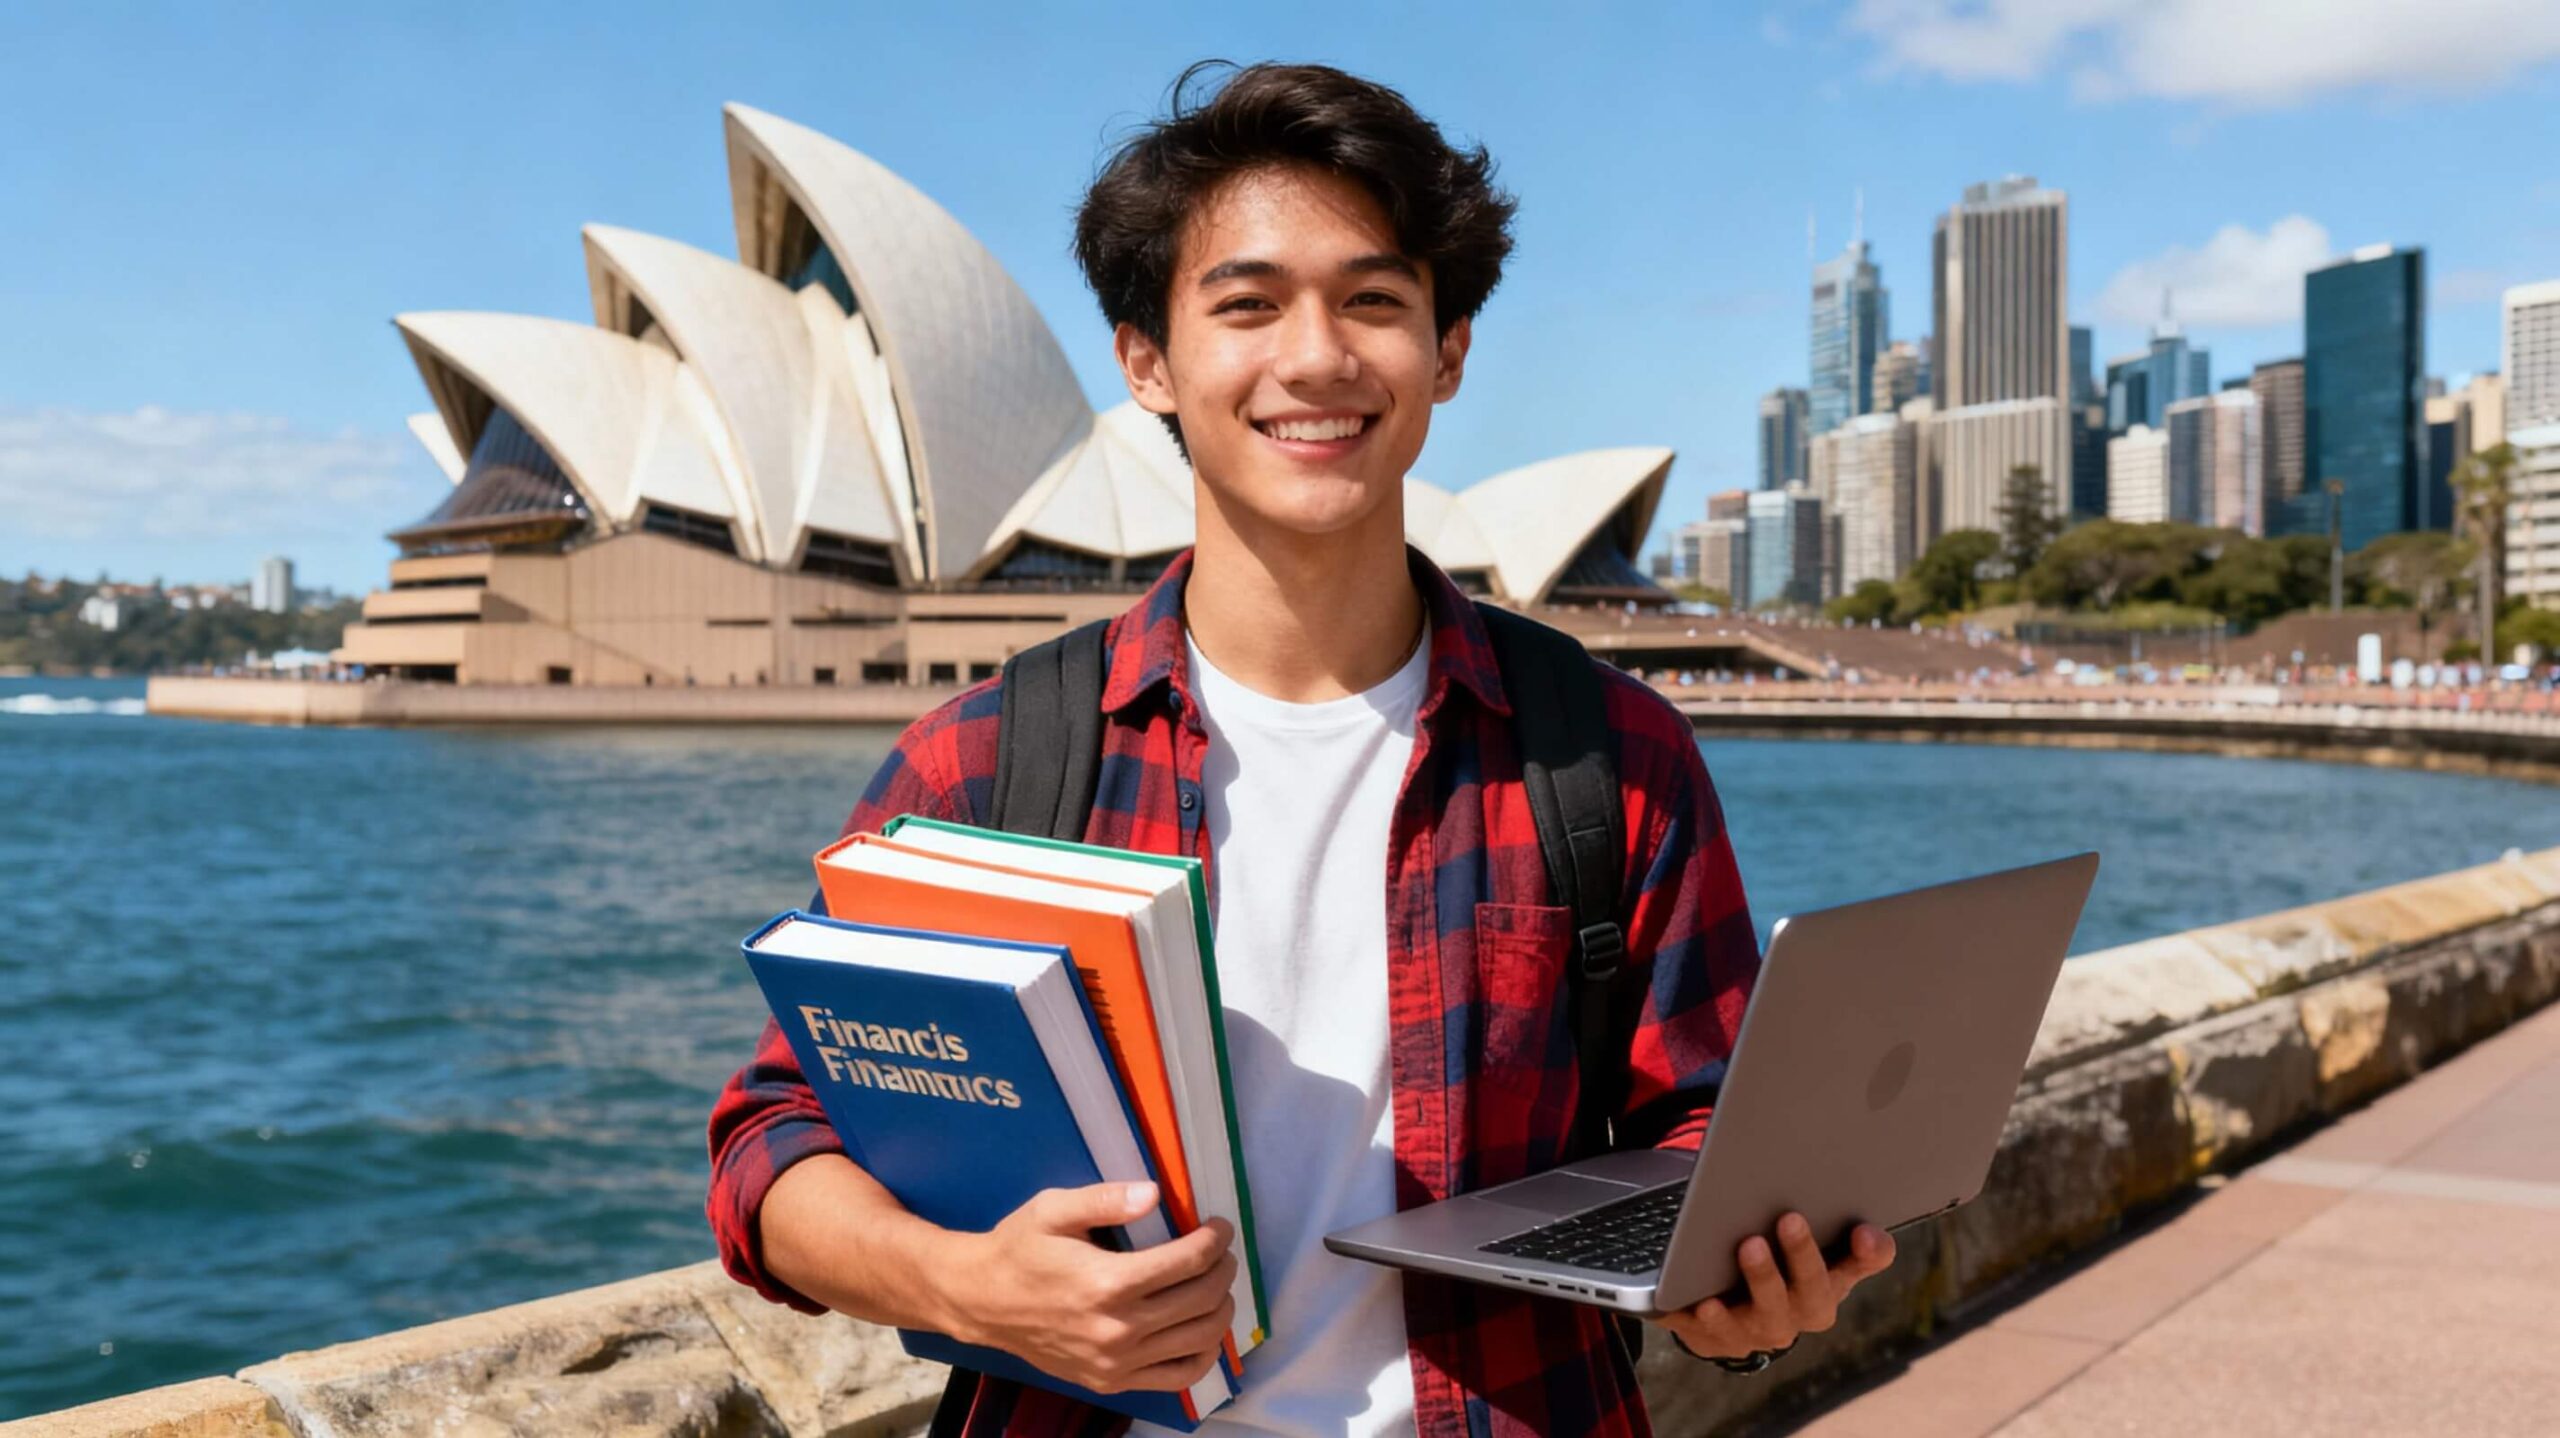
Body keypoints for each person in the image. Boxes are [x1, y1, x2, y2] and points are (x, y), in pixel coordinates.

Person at [706, 61, 1895, 1437]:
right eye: (1249, 303)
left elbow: (1708, 1121)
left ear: (1448, 351)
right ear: (1146, 357)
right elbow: (773, 1142)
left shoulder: (1609, 756)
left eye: (1375, 300)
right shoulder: (991, 765)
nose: (1318, 356)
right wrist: (963, 1282)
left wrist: (1737, 1279)